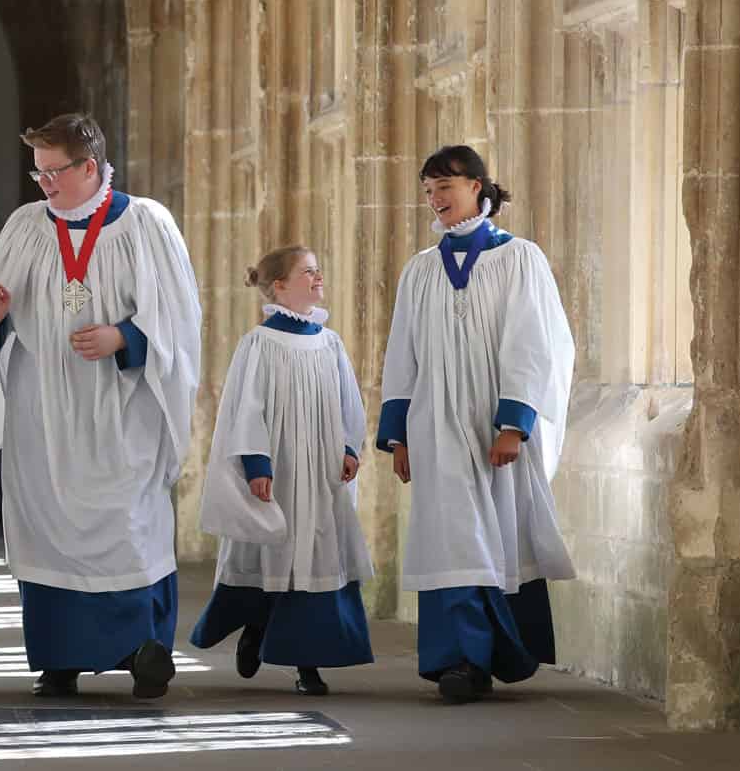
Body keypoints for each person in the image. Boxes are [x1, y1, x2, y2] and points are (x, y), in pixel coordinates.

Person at [0, 113, 202, 699]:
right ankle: (59, 657)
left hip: (121, 404)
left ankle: (144, 649)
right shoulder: (25, 225)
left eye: (54, 171)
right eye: (38, 172)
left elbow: (180, 316)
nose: (43, 184)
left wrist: (125, 338)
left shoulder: (146, 223)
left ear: (91, 167)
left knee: (126, 518)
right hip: (42, 407)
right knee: (48, 525)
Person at [376, 145, 577, 703]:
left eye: (446, 186)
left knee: (496, 530)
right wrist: (400, 434)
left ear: (478, 187)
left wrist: (513, 423)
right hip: (436, 423)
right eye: (428, 190)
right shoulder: (419, 270)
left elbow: (535, 343)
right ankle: (458, 659)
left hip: (493, 423)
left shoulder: (519, 259)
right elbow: (402, 352)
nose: (436, 199)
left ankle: (493, 653)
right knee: (450, 533)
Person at [191, 245, 374, 696]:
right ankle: (257, 623)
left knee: (316, 557)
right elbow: (245, 409)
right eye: (308, 272)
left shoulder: (328, 342)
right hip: (281, 471)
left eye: (318, 271)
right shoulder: (259, 343)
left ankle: (307, 663)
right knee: (274, 554)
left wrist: (350, 447)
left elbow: (349, 399)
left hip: (323, 473)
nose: (318, 279)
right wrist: (257, 463)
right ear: (280, 285)